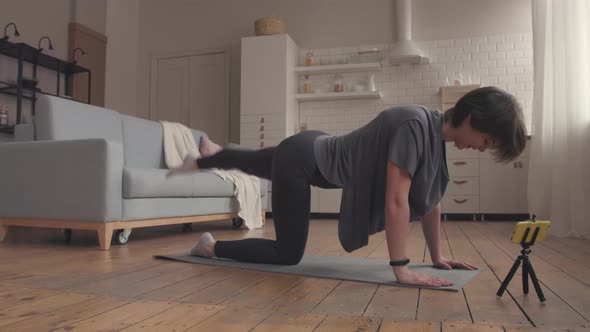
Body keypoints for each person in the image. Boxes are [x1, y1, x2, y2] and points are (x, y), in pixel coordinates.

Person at [167, 86, 527, 288]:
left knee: (266, 161)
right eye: (487, 139)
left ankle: (212, 154)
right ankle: (211, 247)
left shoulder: (435, 138)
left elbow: (430, 201)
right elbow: (397, 201)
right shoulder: (415, 125)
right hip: (306, 158)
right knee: (288, 253)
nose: (483, 147)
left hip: (315, 151)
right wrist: (400, 266)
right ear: (471, 118)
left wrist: (436, 257)